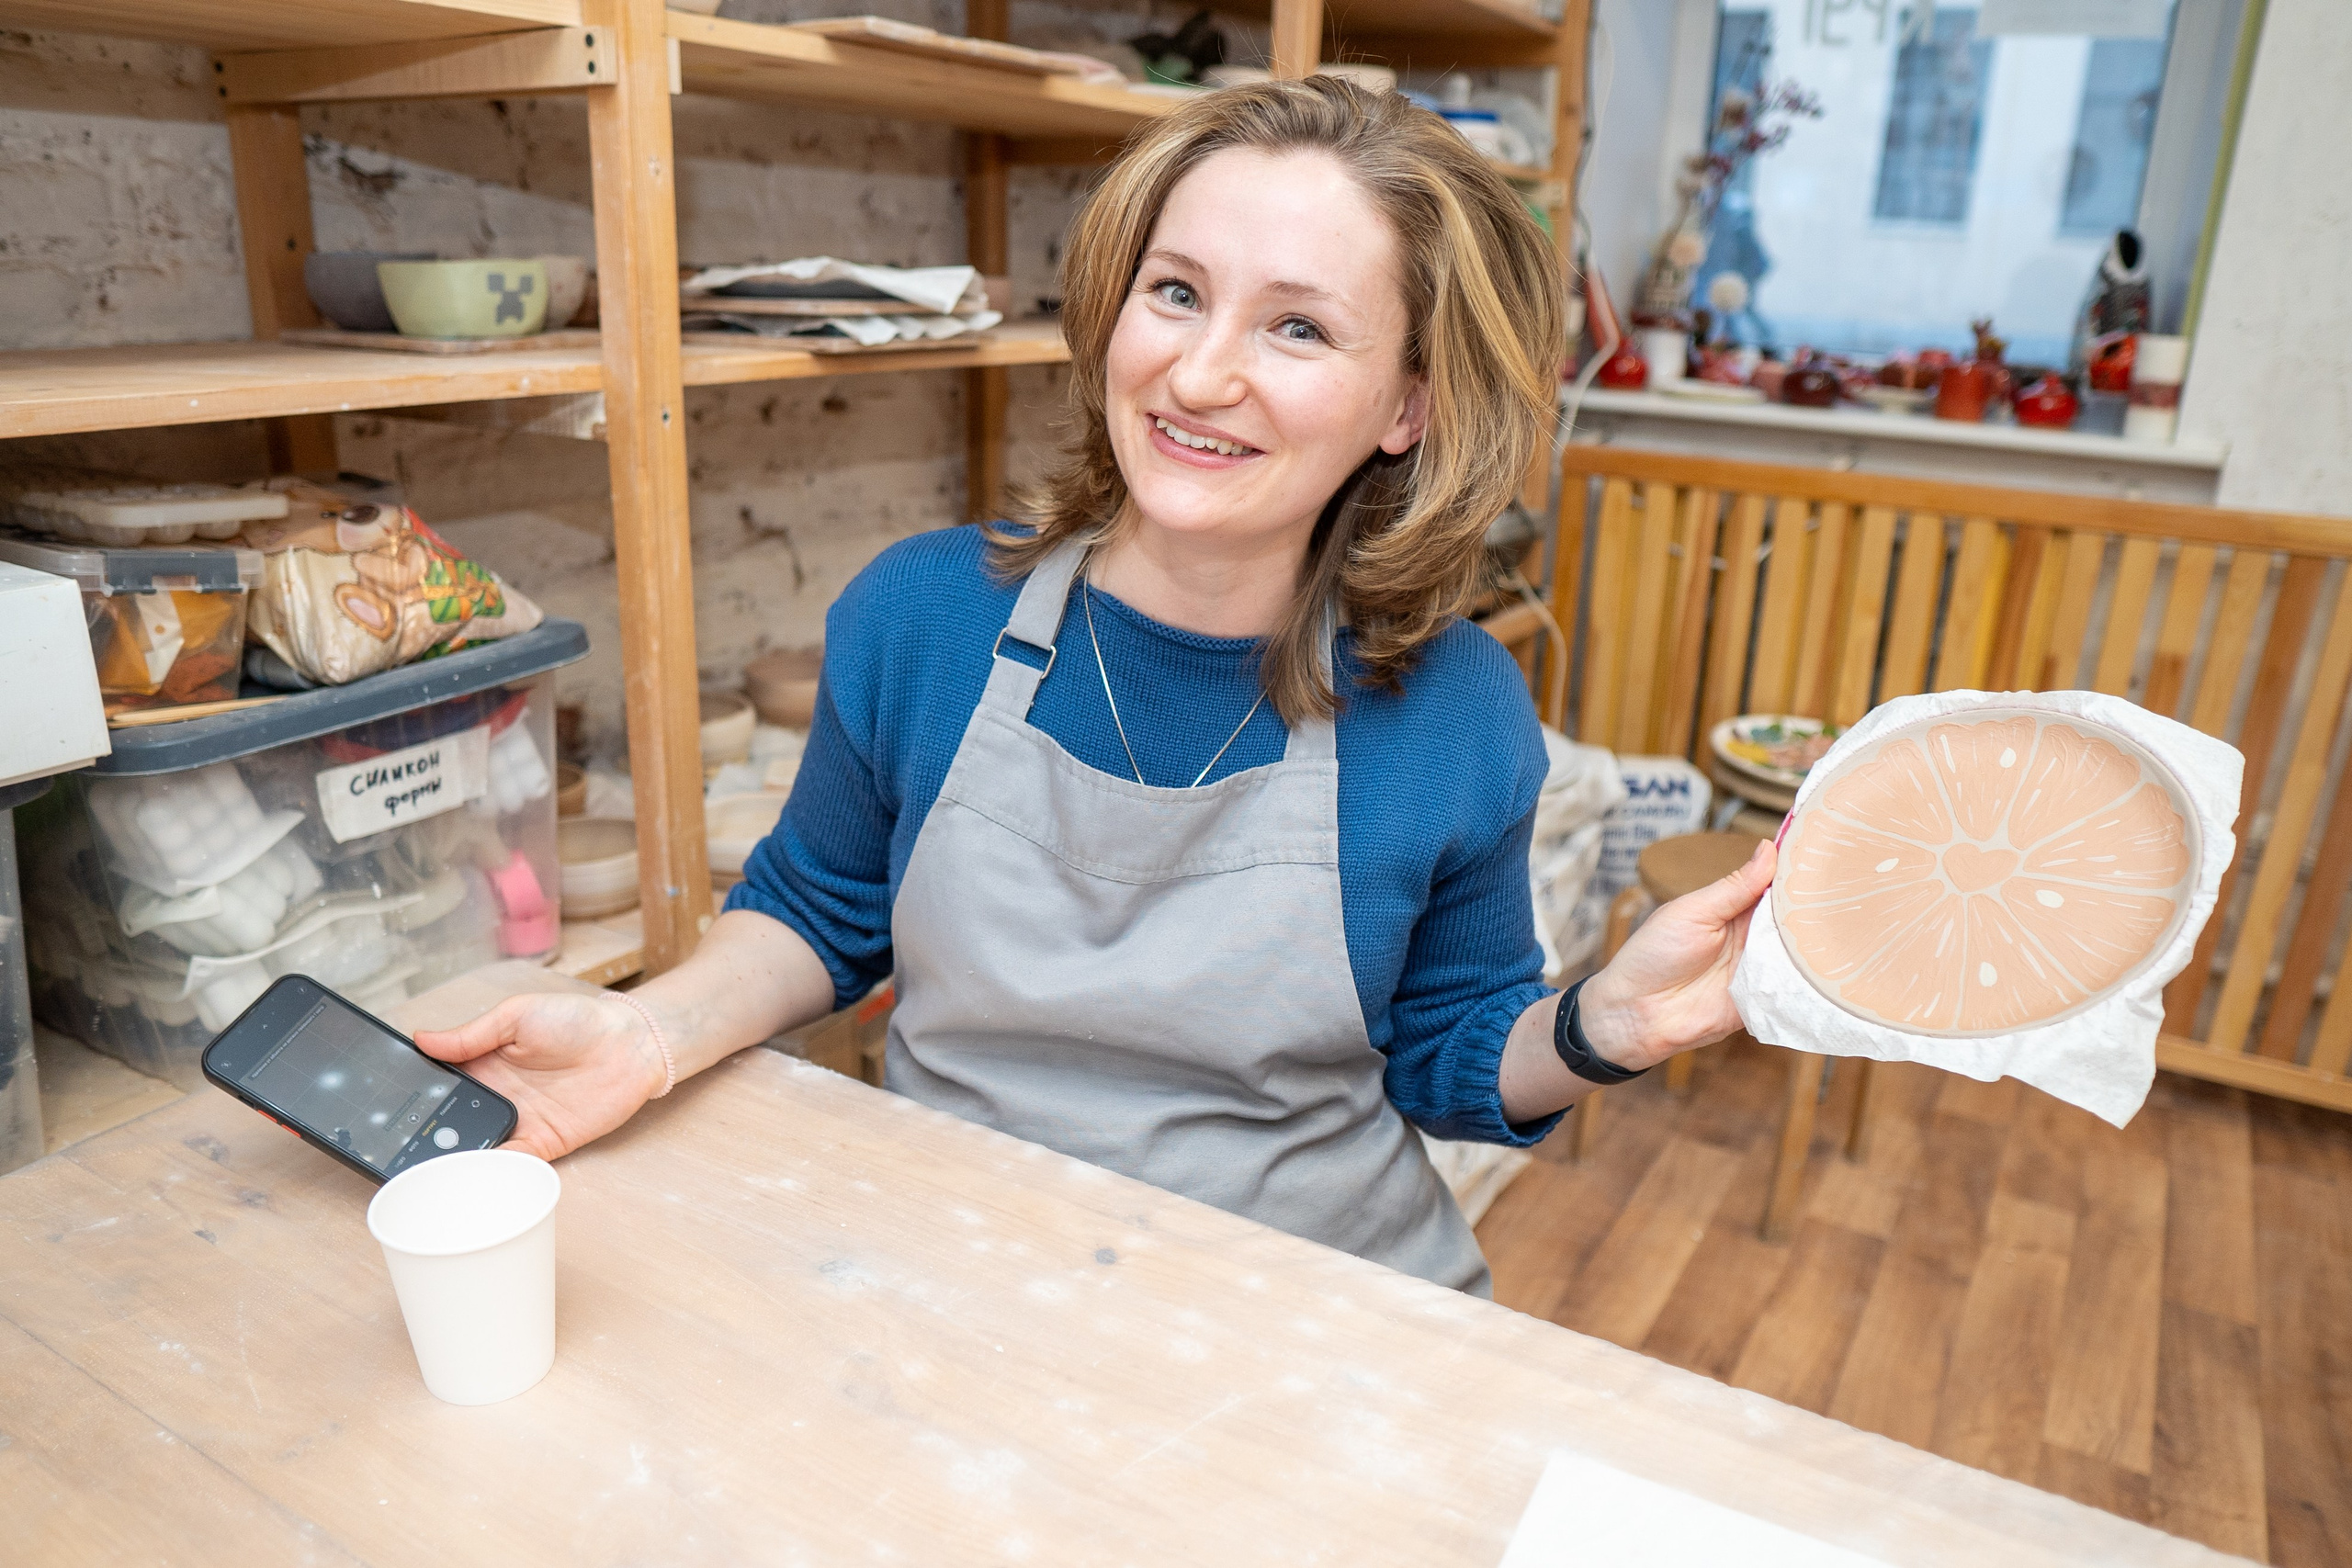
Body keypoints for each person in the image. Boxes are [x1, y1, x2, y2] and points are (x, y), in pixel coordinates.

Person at [419, 77, 1776, 1296]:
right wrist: (641, 1034)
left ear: (1406, 408)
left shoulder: (1452, 703)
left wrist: (1607, 1023)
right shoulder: (926, 616)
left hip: (1312, 1310)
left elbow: (1452, 1052)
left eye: (1297, 328)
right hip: (958, 1273)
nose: (1197, 374)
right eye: (1175, 292)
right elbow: (819, 913)